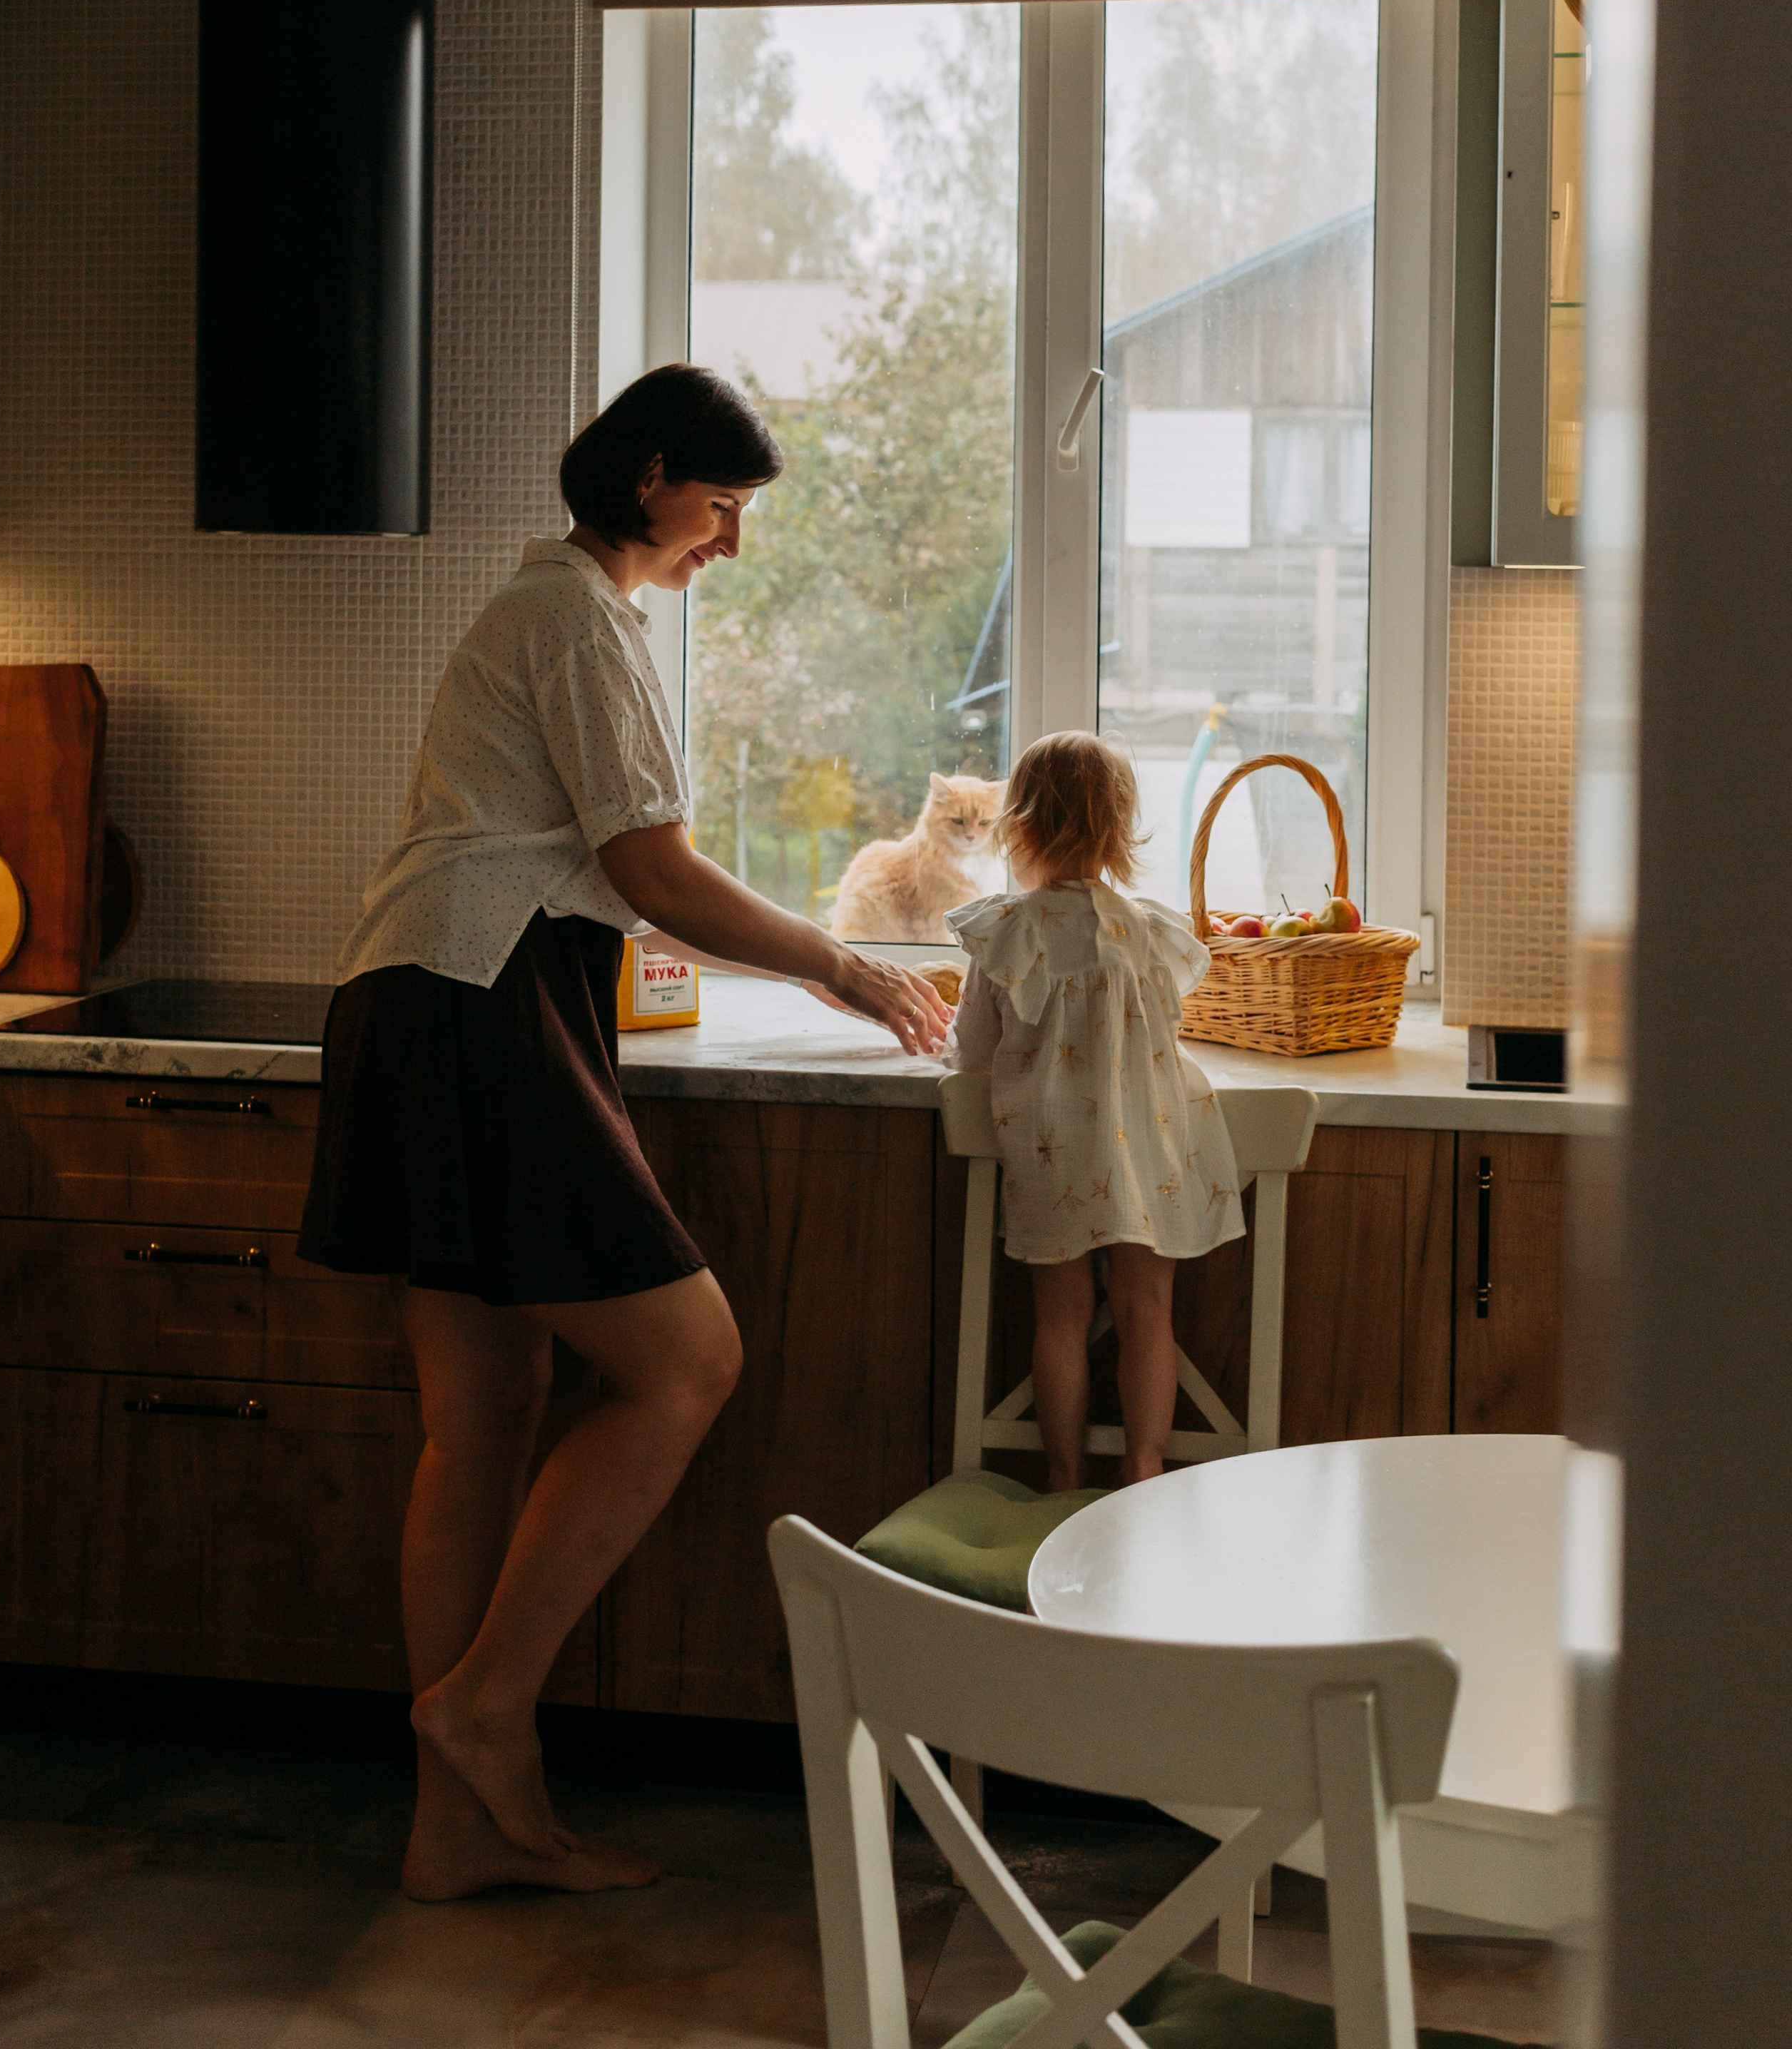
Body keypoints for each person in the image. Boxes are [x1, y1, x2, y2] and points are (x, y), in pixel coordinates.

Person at [298, 364, 948, 1903]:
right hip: (479, 1007)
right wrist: (846, 964)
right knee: (686, 1361)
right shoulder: (578, 618)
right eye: (720, 504)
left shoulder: (560, 616)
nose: (729, 540)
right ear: (649, 477)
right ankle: (484, 1707)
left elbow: (608, 876)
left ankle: (456, 1824)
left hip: (429, 996)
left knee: (485, 1415)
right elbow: (651, 869)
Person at [946, 732, 1243, 1492]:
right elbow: (1156, 1032)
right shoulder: (1149, 929)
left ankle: (1064, 1474)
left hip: (1055, 1149)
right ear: (1120, 827)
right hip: (1148, 1142)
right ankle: (1143, 1472)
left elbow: (973, 1054)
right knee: (1148, 1310)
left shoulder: (1007, 931)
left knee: (1061, 1315)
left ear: (1019, 825)